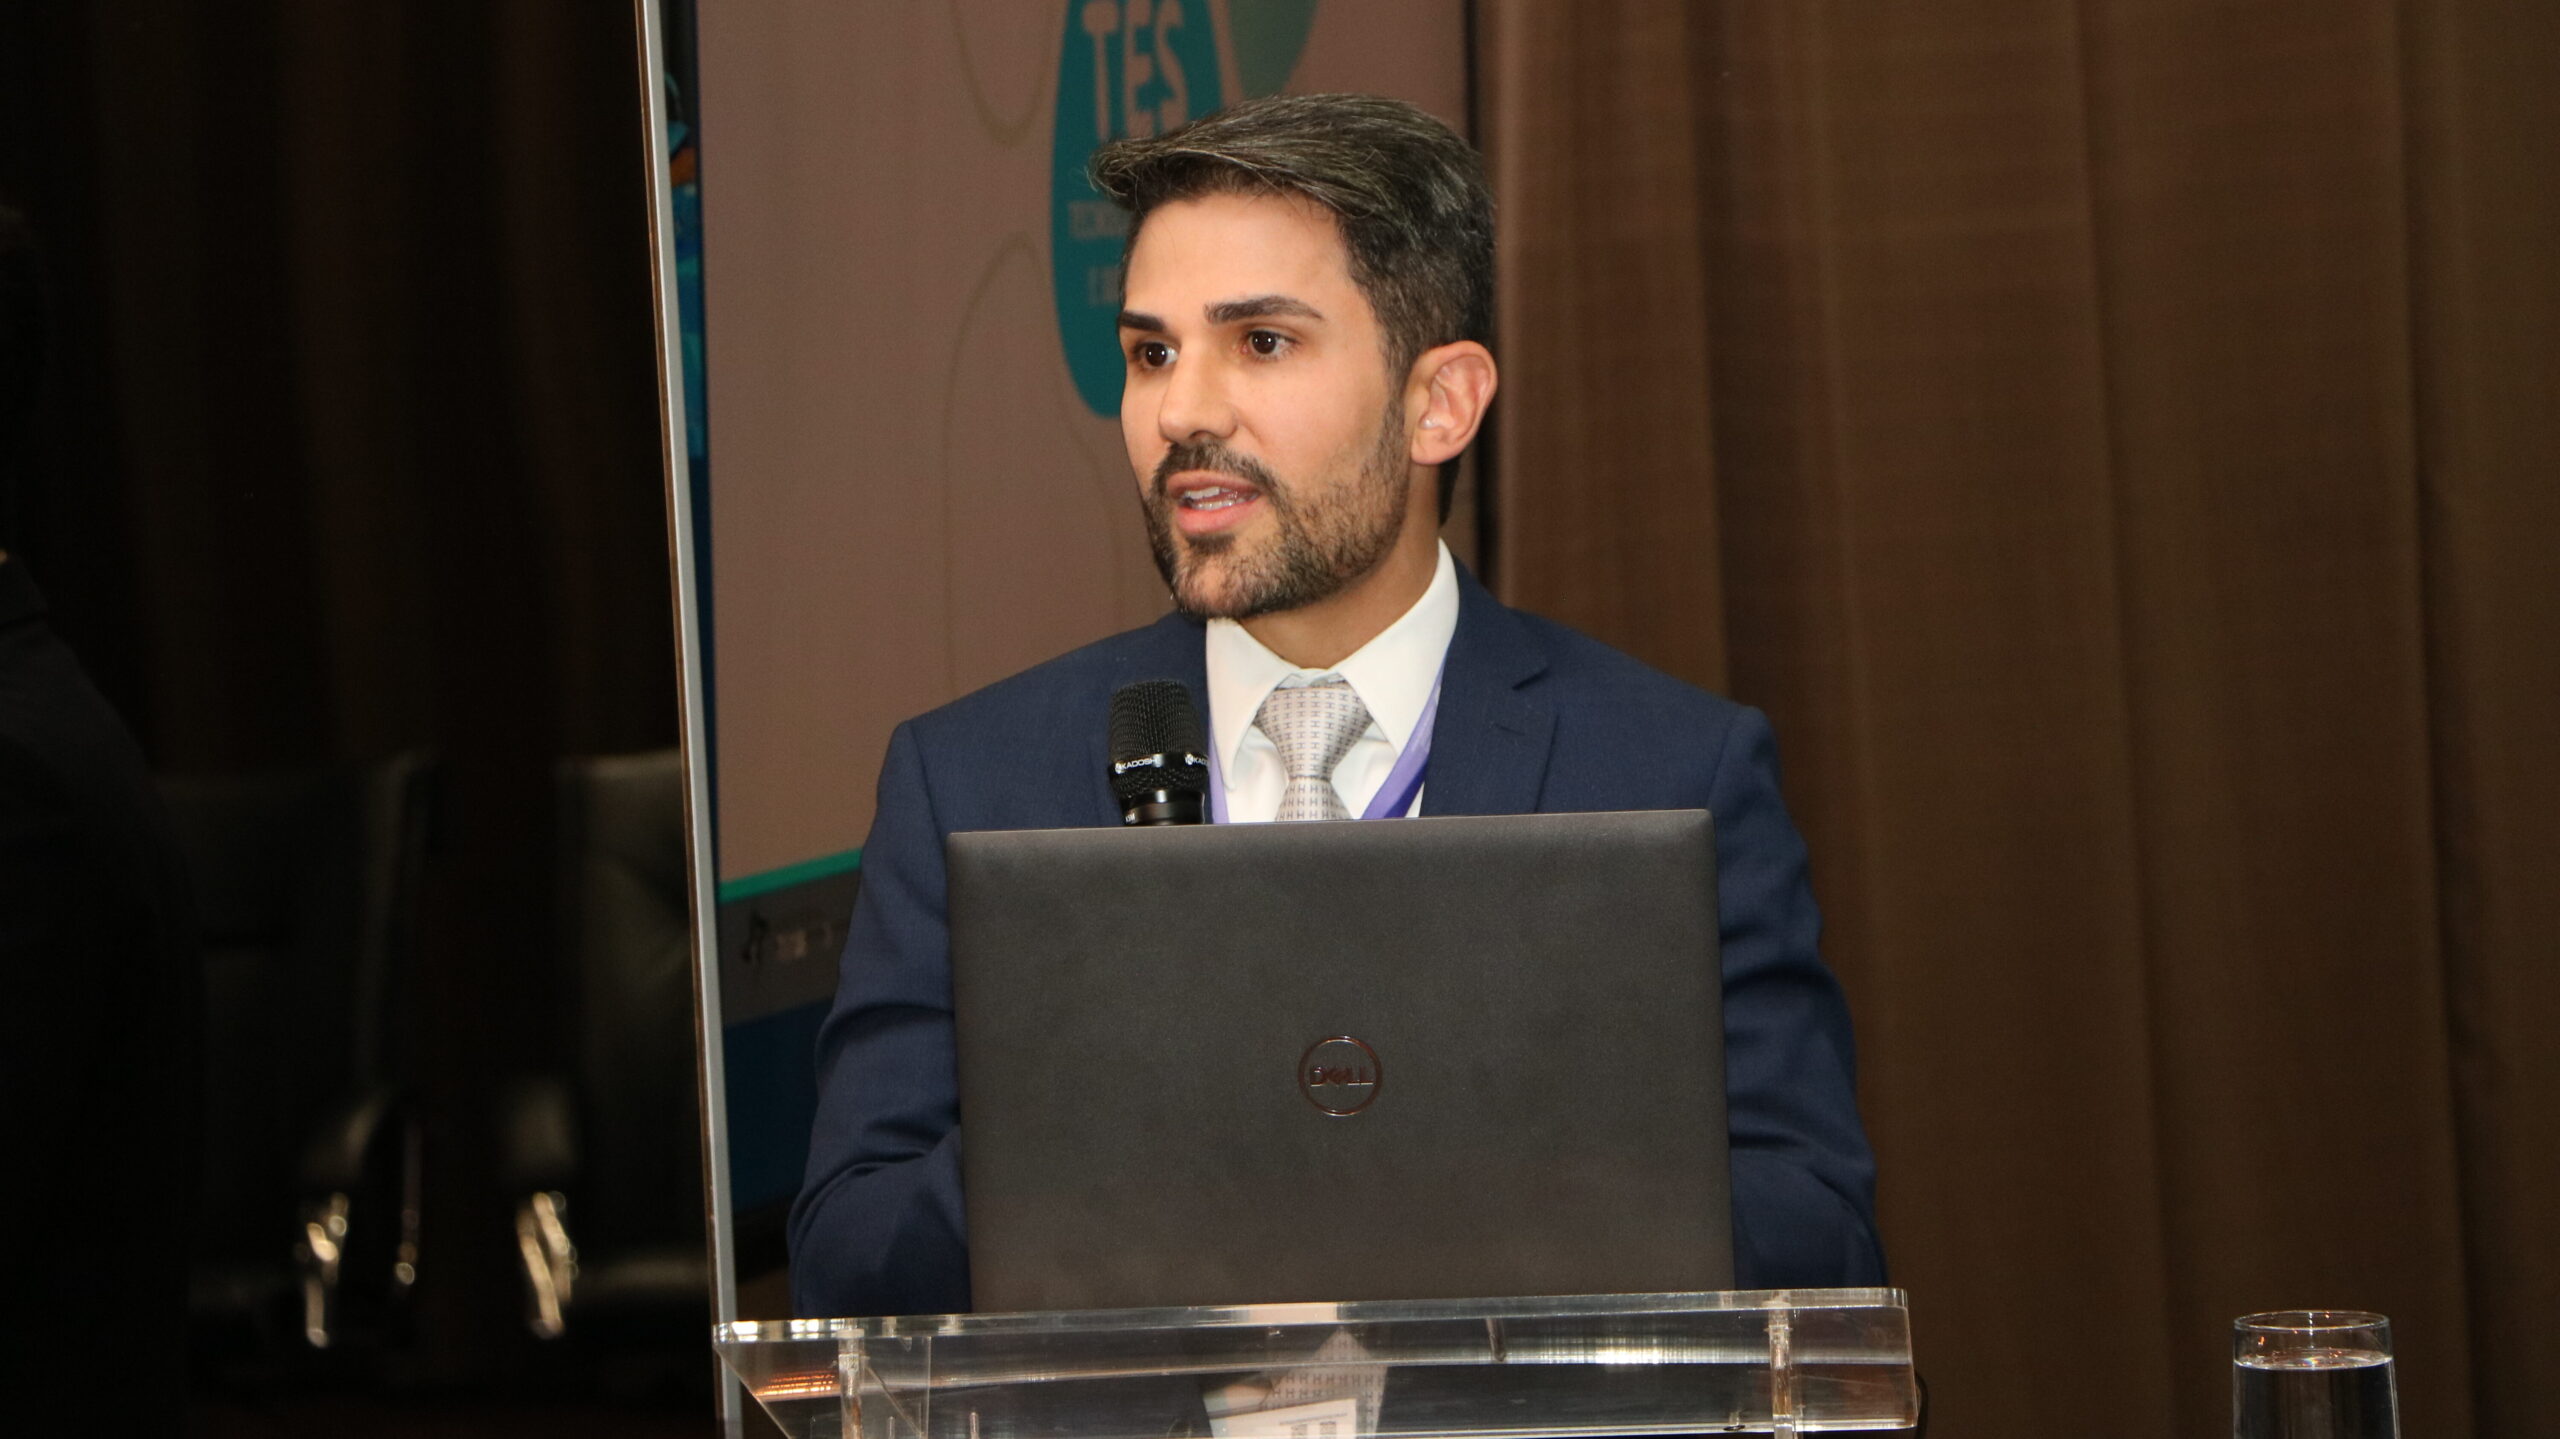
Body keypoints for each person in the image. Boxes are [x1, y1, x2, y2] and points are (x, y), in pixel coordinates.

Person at [789, 94, 1883, 1318]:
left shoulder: (1671, 767)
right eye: (1152, 351)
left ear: (1441, 403)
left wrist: (1425, 1163)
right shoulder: (970, 777)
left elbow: (1817, 1239)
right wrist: (1107, 1127)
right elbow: (851, 1250)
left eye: (1259, 342)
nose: (1183, 411)